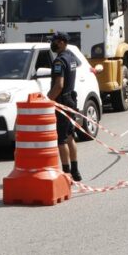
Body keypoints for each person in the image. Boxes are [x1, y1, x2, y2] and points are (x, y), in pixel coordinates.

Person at [46, 31, 82, 182]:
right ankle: (75, 171)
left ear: (61, 42)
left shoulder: (59, 61)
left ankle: (66, 172)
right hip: (71, 100)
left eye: (54, 41)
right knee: (70, 136)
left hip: (62, 102)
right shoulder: (71, 57)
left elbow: (58, 85)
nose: (52, 44)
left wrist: (47, 100)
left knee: (60, 139)